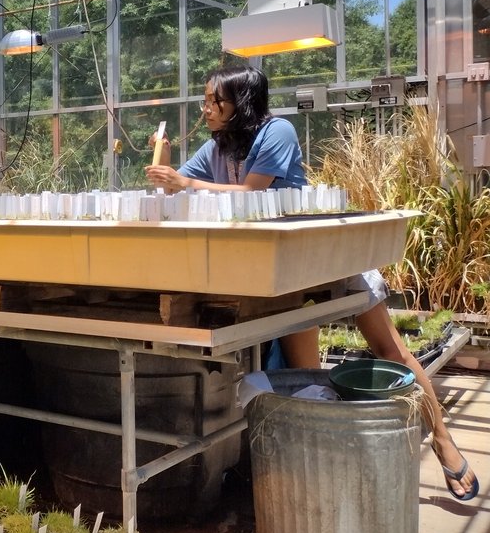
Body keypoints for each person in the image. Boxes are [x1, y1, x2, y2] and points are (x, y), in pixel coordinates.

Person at [145, 62, 479, 502]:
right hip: (287, 278)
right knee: (305, 376)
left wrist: (184, 181)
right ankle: (320, 468)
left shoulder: (275, 132)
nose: (205, 108)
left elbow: (253, 192)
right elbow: (175, 187)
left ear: (240, 103)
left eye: (214, 100)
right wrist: (164, 161)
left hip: (327, 257)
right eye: (205, 100)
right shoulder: (216, 149)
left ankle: (440, 437)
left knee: (390, 349)